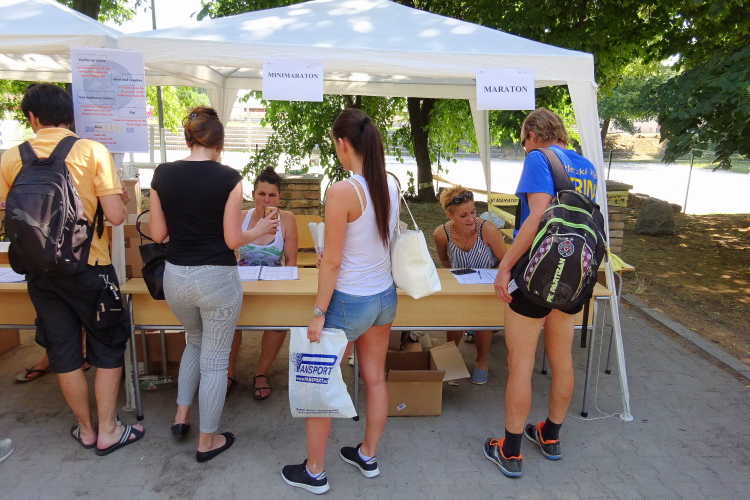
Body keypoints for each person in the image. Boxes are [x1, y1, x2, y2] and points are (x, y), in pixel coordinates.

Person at [0, 83, 143, 455]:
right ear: (70, 116)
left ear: (32, 117)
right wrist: (116, 199)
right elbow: (116, 217)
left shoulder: (11, 157)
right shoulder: (92, 151)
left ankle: (86, 429)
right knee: (107, 345)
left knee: (63, 351)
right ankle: (109, 429)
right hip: (90, 267)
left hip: (40, 273)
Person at [148, 106, 278, 463]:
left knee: (194, 341)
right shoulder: (229, 178)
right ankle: (207, 441)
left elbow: (157, 233)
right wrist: (259, 230)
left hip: (176, 276)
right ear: (219, 144)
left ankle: (181, 416)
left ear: (188, 138)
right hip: (217, 278)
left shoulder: (162, 174)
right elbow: (233, 239)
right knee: (216, 362)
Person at [281, 109, 400, 494]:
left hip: (349, 301)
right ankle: (367, 454)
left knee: (319, 384)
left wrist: (318, 312)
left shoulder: (342, 191)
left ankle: (315, 471)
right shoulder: (391, 183)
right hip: (383, 296)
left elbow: (331, 261)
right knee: (375, 378)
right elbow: (374, 242)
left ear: (342, 143)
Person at [485, 107, 599, 477]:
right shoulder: (586, 166)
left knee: (520, 362)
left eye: (523, 141)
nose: (524, 148)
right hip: (574, 275)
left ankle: (510, 451)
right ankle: (550, 435)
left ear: (533, 135)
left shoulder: (538, 158)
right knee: (562, 357)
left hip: (535, 274)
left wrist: (505, 266)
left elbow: (536, 217)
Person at [227, 166, 298, 398]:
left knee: (278, 321)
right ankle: (229, 372)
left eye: (272, 195)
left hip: (273, 280)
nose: (266, 200)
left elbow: (291, 260)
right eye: (261, 194)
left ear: (279, 197)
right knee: (230, 319)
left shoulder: (287, 219)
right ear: (253, 194)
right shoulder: (241, 217)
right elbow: (228, 250)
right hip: (243, 279)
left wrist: (287, 288)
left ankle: (261, 373)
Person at [433, 185, 507, 384]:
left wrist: (492, 278)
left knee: (483, 322)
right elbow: (445, 260)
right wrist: (459, 279)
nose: (471, 219)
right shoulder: (441, 234)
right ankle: (451, 355)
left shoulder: (488, 230)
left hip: (488, 285)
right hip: (460, 285)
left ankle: (481, 361)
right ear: (450, 215)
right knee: (455, 319)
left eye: (473, 212)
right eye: (463, 215)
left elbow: (506, 260)